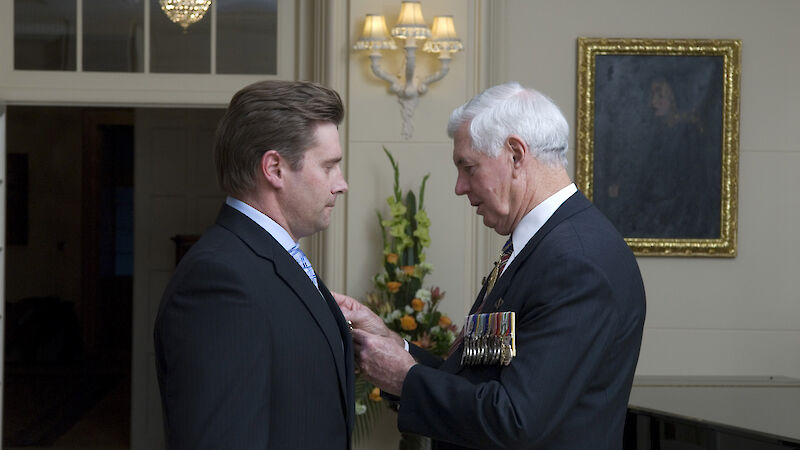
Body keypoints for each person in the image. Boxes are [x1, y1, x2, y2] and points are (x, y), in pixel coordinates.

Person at [336, 81, 646, 449]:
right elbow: (481, 381)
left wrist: (406, 378)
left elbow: (515, 418)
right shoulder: (546, 244)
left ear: (516, 154)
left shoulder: (575, 260)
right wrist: (394, 347)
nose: (459, 187)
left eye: (468, 168)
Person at [154, 80, 354, 449]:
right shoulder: (220, 282)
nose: (341, 184)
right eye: (329, 167)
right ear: (275, 168)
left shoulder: (267, 258)